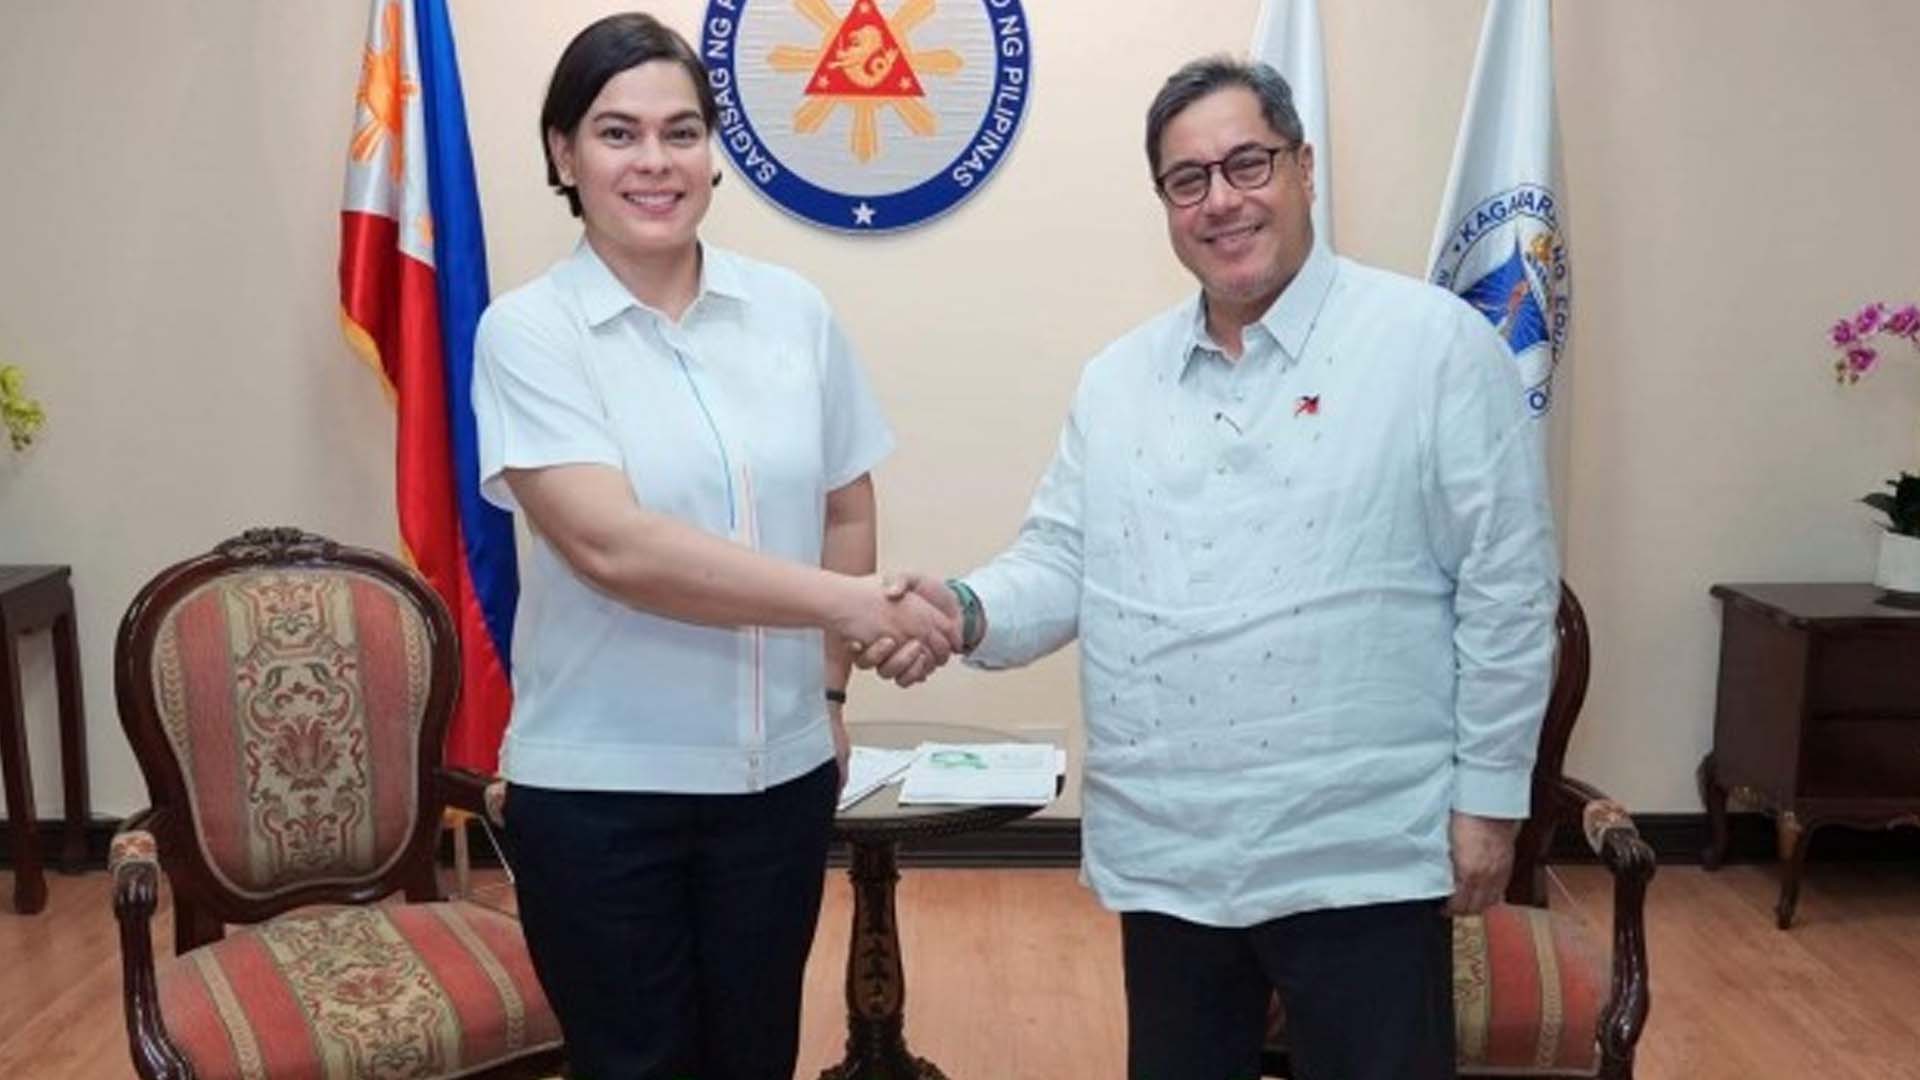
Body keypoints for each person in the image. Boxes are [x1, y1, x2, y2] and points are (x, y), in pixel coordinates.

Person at [862, 56, 1558, 1079]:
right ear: (1165, 204)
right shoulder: (1118, 381)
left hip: (1360, 849)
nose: (1221, 200)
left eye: (1247, 164)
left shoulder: (1434, 348)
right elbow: (1062, 558)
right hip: (1171, 851)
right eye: (1188, 180)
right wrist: (961, 609)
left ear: (1303, 168)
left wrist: (1489, 803)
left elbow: (1507, 590)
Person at [470, 13, 958, 1078]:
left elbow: (844, 503)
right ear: (563, 153)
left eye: (681, 133)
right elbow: (615, 549)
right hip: (601, 796)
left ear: (712, 150)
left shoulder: (792, 313)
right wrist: (849, 606)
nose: (655, 161)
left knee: (754, 1059)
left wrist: (829, 694)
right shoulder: (530, 331)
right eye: (618, 133)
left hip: (777, 788)